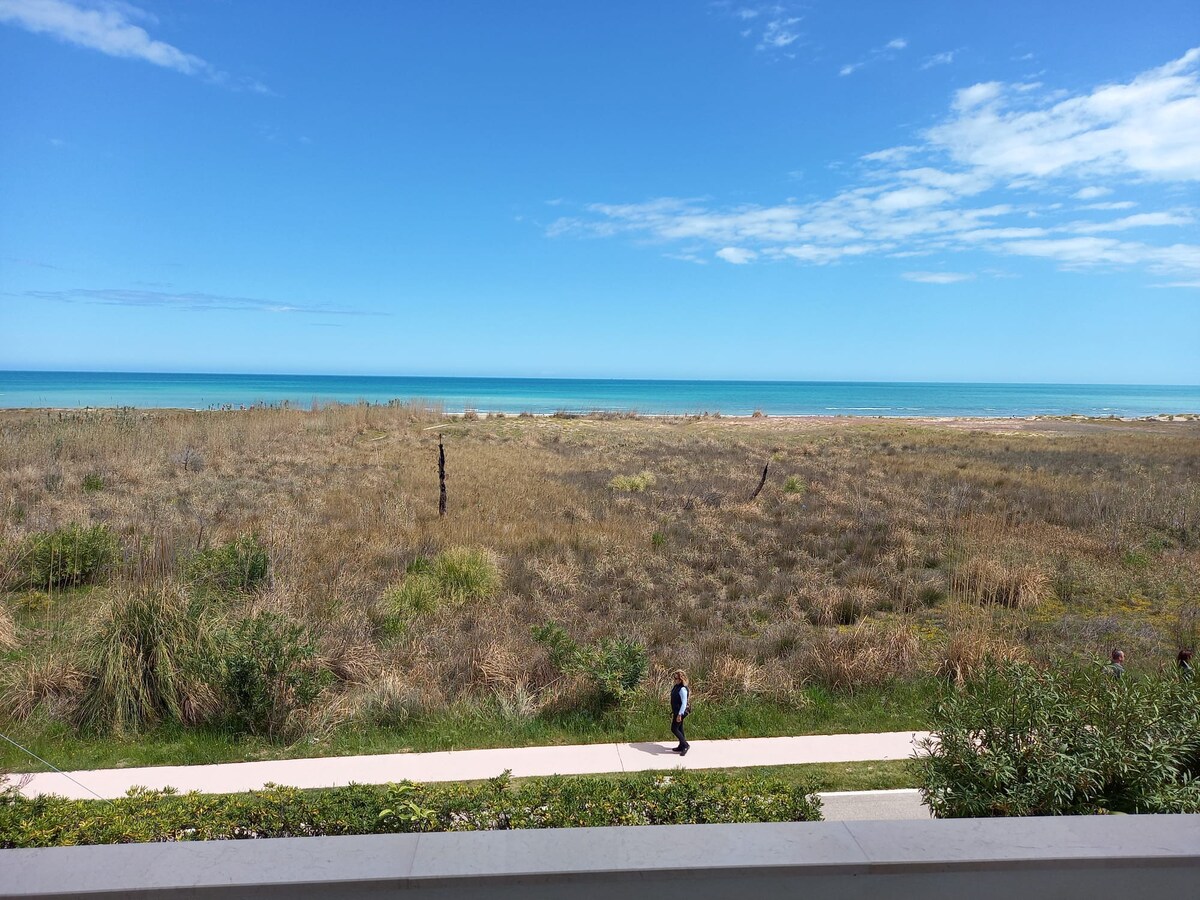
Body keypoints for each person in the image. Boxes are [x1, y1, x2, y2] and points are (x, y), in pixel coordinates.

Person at [669, 669, 690, 756]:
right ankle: (681, 745)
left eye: (676, 678)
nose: (675, 680)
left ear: (681, 679)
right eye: (674, 678)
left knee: (674, 729)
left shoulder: (682, 689)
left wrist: (679, 714)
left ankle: (685, 745)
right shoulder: (676, 687)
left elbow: (684, 703)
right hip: (677, 711)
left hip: (681, 712)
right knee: (680, 728)